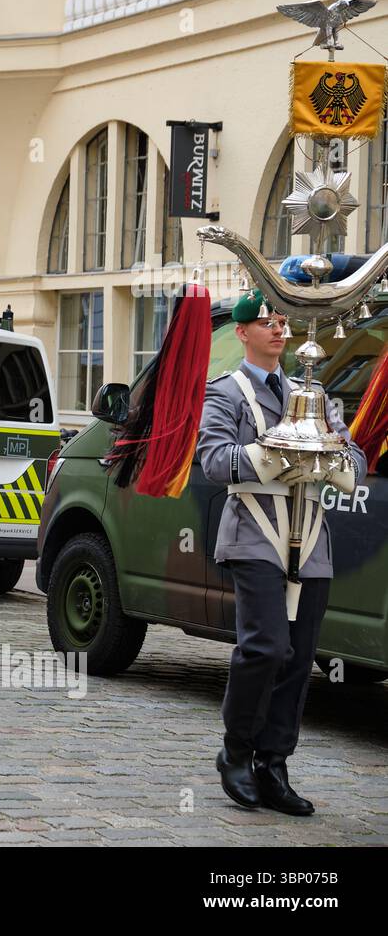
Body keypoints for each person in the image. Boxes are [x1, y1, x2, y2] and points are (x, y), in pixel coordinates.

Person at [197, 289, 366, 816]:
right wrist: (275, 456)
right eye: (263, 322)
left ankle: (274, 763)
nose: (276, 329)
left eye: (280, 321)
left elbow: (353, 451)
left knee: (298, 657)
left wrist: (333, 465)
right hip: (255, 530)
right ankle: (236, 750)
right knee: (265, 647)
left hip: (311, 534)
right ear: (241, 333)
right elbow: (213, 460)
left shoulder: (310, 392)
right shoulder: (225, 391)